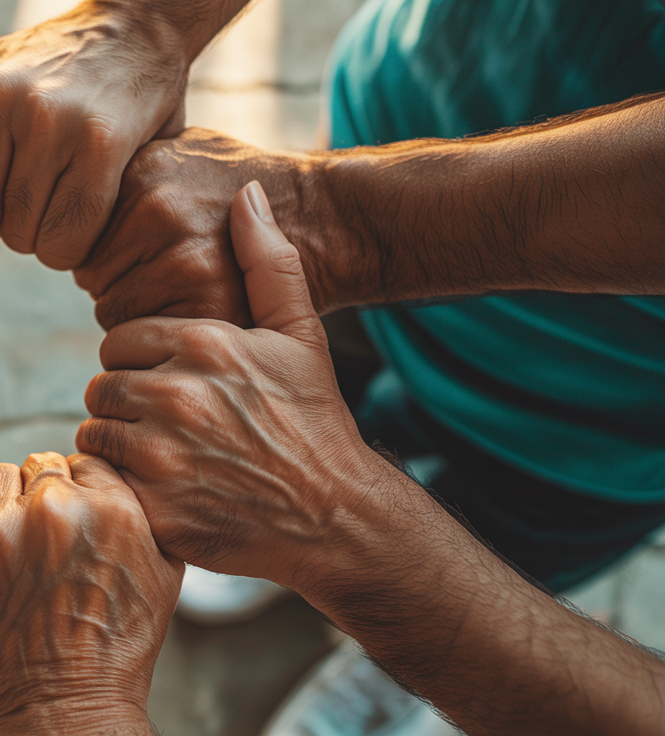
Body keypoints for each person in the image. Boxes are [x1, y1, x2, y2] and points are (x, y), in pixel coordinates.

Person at [77, 177, 665, 735]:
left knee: (514, 547)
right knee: (344, 413)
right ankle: (284, 523)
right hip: (404, 270)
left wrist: (67, 698)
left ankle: (426, 659)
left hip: (615, 427)